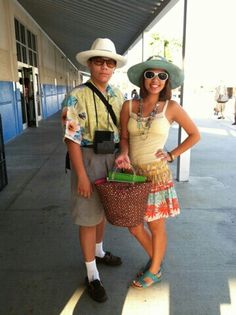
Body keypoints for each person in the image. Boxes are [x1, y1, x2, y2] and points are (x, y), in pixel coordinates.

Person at [115, 55, 200, 289]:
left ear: (167, 81)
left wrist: (171, 154)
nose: (155, 80)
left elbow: (195, 134)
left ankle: (154, 270)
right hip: (132, 175)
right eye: (150, 74)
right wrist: (123, 153)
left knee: (155, 225)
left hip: (156, 175)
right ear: (143, 79)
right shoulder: (129, 106)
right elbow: (124, 137)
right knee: (133, 226)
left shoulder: (171, 108)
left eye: (162, 76)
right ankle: (157, 260)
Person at [61, 38, 126, 302]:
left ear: (113, 67)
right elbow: (71, 139)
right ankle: (91, 274)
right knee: (88, 216)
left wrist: (123, 154)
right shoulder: (76, 95)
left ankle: (99, 251)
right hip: (87, 157)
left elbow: (124, 131)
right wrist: (82, 176)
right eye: (98, 61)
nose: (104, 67)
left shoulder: (118, 94)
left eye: (109, 62)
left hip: (112, 156)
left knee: (102, 211)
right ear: (90, 64)